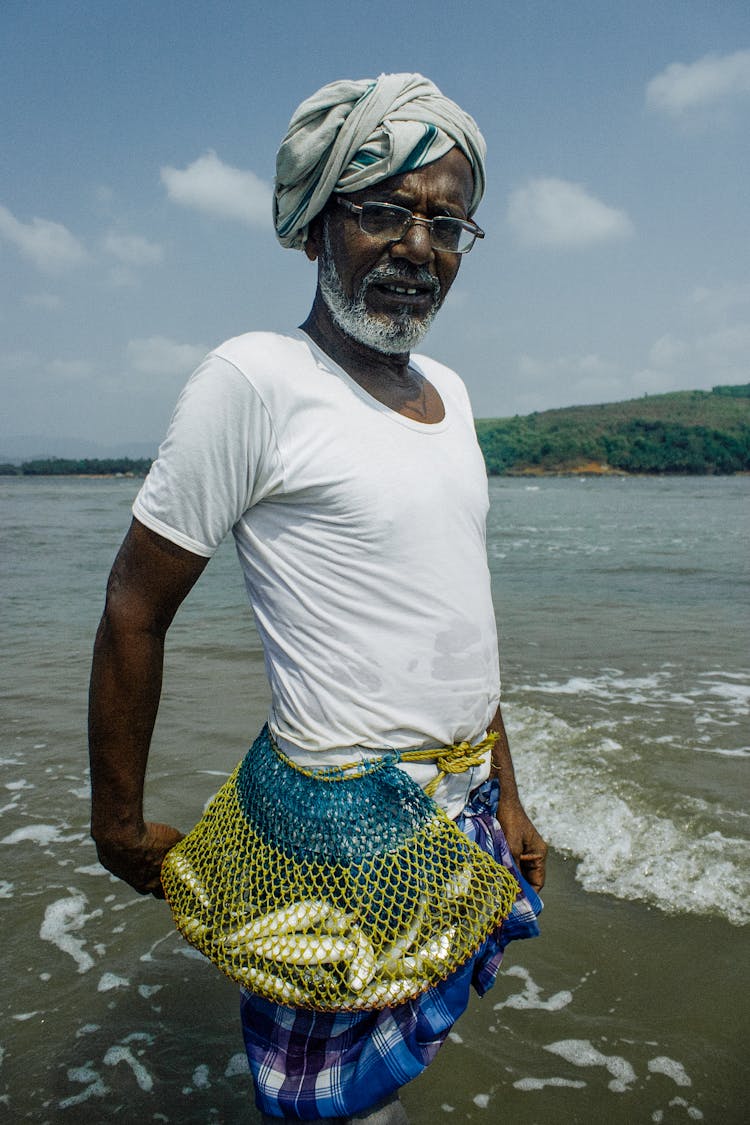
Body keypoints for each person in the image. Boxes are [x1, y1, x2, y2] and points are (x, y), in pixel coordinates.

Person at [89, 73, 547, 1124]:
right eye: (382, 211)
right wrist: (116, 824)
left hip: (462, 804)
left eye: (444, 221)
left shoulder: (454, 395)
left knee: (395, 1076)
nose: (417, 247)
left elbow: (455, 615)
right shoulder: (253, 381)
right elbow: (133, 608)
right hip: (340, 827)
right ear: (313, 228)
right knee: (328, 1107)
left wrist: (508, 792)